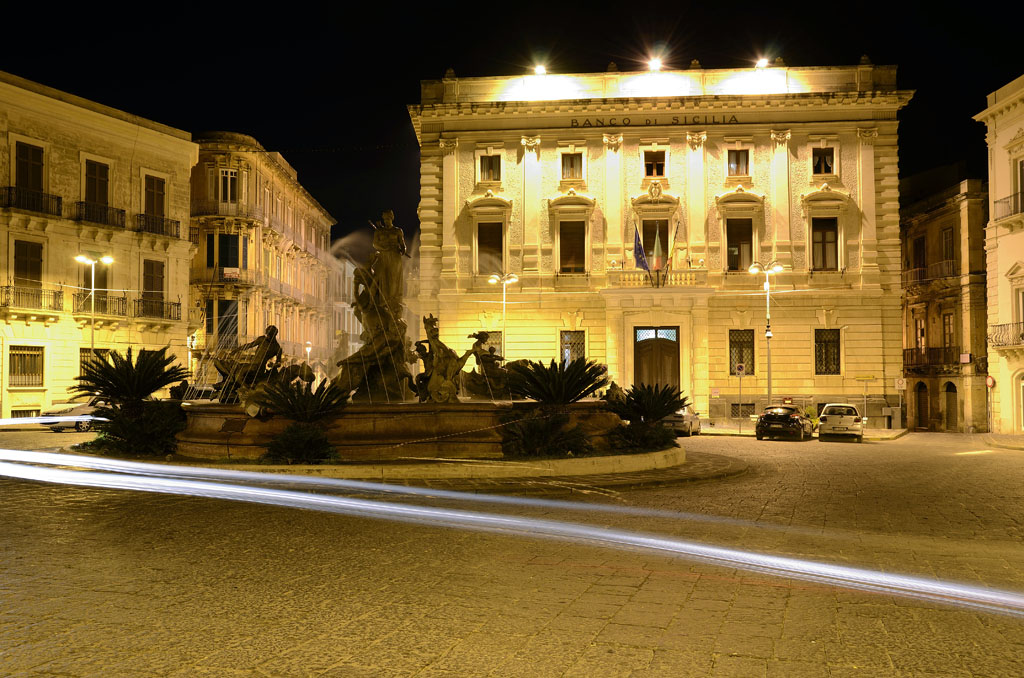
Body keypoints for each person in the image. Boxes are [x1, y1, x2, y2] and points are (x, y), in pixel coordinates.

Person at [369, 209, 408, 304]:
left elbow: (403, 244)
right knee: (383, 278)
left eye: (388, 219)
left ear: (392, 219)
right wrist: (383, 248)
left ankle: (394, 300)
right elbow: (375, 244)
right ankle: (384, 301)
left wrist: (403, 250)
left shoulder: (398, 231)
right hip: (383, 256)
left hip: (395, 257)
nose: (386, 221)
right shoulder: (379, 231)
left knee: (394, 279)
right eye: (385, 219)